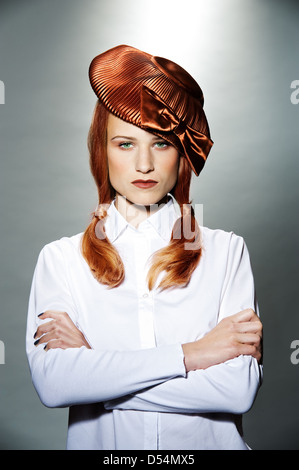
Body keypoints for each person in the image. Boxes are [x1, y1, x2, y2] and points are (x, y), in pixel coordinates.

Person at [26, 45, 263, 450]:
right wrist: (194, 354)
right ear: (101, 150)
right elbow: (55, 385)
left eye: (161, 143)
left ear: (182, 154)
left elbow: (237, 390)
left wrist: (95, 365)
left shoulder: (227, 252)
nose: (143, 165)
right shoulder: (60, 259)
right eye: (124, 144)